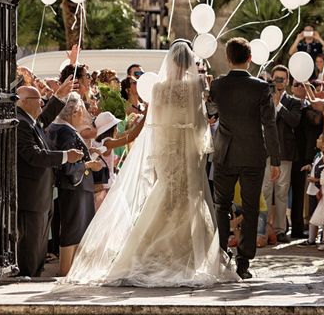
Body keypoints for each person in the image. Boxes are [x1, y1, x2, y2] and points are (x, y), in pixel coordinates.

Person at [65, 41, 238, 287]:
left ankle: (148, 253)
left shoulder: (158, 89)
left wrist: (157, 154)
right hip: (187, 152)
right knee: (189, 199)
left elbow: (153, 126)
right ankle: (187, 255)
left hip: (167, 151)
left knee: (166, 198)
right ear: (188, 62)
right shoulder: (195, 87)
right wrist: (200, 149)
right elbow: (200, 125)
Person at [210, 37, 281, 280]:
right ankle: (243, 262)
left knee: (221, 206)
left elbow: (209, 113)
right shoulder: (261, 87)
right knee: (251, 208)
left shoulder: (217, 86)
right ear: (250, 59)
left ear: (228, 58)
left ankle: (221, 254)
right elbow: (269, 124)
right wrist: (276, 159)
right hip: (253, 154)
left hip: (225, 152)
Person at [15, 77, 84, 277]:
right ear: (24, 101)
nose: (41, 102)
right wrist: (66, 156)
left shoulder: (30, 120)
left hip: (42, 193)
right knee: (31, 239)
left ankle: (34, 271)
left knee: (39, 238)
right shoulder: (20, 122)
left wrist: (59, 96)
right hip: (31, 195)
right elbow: (33, 155)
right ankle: (27, 274)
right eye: (38, 99)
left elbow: (44, 118)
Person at [47, 93, 104, 276]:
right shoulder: (66, 131)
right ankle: (65, 271)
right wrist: (88, 164)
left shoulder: (62, 129)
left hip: (76, 188)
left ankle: (71, 271)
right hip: (74, 188)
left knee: (77, 230)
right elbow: (67, 164)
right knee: (72, 231)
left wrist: (88, 154)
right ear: (75, 111)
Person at [262, 65, 301, 243]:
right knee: (265, 191)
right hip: (266, 152)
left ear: (287, 81)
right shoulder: (263, 99)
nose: (279, 82)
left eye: (282, 79)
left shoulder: (293, 102)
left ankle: (279, 230)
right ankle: (262, 228)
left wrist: (279, 105)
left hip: (285, 153)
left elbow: (295, 121)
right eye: (276, 78)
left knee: (281, 192)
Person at [290, 81, 324, 239]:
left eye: (304, 86)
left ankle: (305, 228)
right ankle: (292, 227)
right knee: (291, 193)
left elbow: (316, 121)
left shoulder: (314, 110)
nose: (301, 88)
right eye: (297, 84)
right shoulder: (291, 104)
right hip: (293, 153)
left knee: (305, 193)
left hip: (310, 154)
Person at [299, 131, 324, 246]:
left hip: (321, 189)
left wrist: (316, 181)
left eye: (319, 139)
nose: (316, 141)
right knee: (312, 213)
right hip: (312, 189)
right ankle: (311, 239)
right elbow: (316, 167)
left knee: (322, 213)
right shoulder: (318, 155)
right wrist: (310, 167)